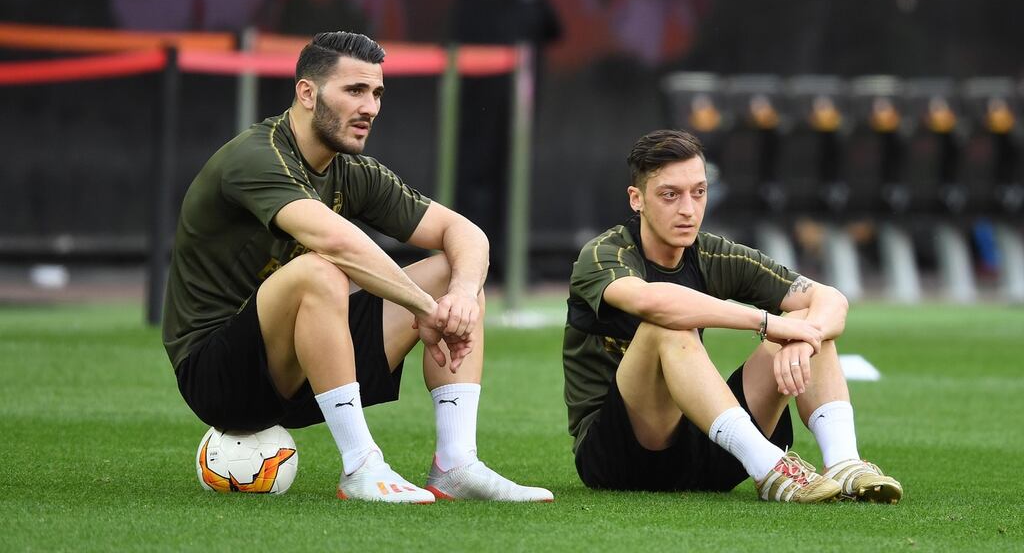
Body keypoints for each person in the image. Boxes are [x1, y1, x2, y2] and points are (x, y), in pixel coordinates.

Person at [163, 31, 553, 504]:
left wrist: (461, 297)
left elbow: (466, 233)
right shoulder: (256, 157)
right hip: (218, 378)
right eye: (354, 91)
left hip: (304, 369)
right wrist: (423, 308)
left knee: (453, 275)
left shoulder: (352, 169)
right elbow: (334, 241)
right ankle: (361, 466)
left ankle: (456, 465)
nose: (370, 106)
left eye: (377, 93)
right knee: (321, 270)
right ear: (307, 93)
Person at [562, 129, 902, 503]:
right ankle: (771, 468)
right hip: (619, 459)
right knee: (668, 327)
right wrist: (769, 323)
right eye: (670, 195)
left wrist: (803, 338)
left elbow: (830, 298)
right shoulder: (602, 255)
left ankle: (842, 463)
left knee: (808, 316)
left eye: (699, 192)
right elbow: (657, 303)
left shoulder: (713, 253)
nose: (688, 209)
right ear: (636, 199)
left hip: (704, 447)